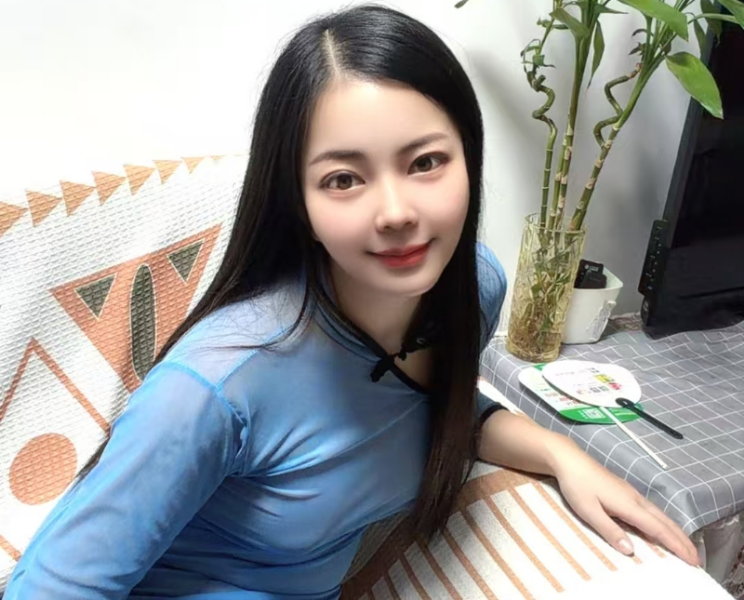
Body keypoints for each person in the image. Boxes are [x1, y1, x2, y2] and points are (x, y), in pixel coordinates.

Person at [4, 5, 699, 599]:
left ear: (469, 159)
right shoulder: (218, 384)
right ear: (298, 201)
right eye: (343, 179)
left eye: (426, 162)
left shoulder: (473, 287)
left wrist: (561, 453)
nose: (396, 212)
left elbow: (435, 409)